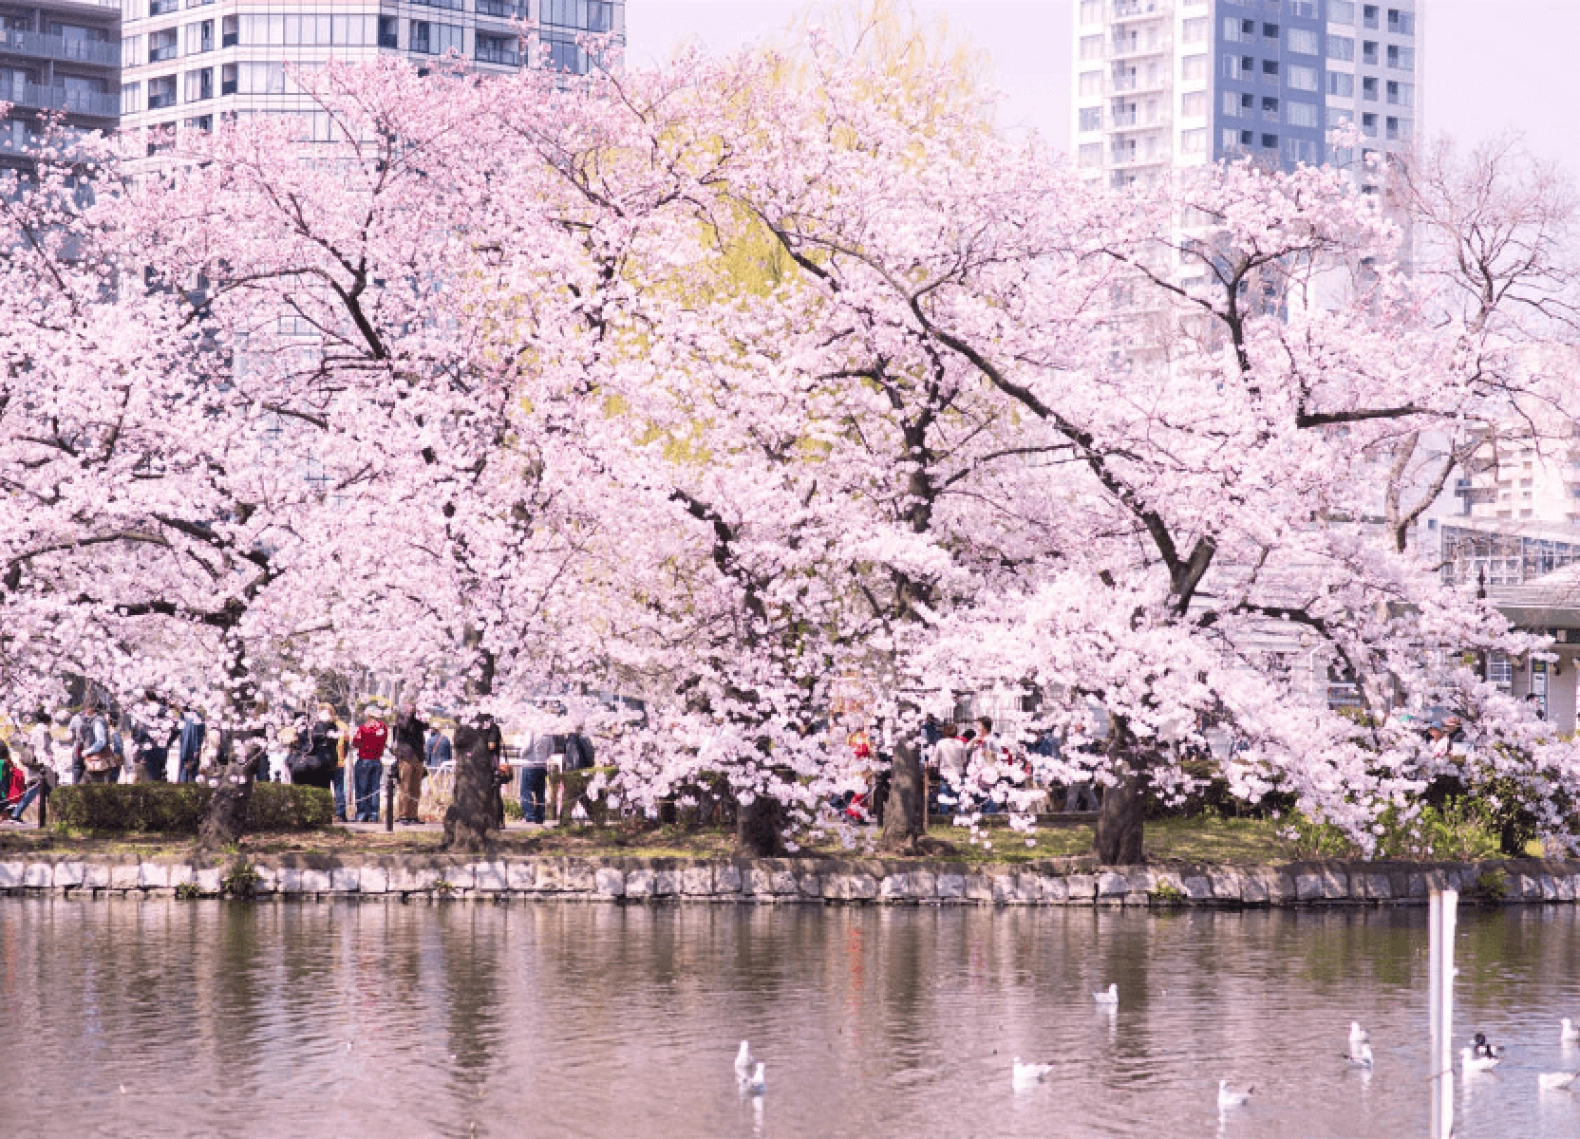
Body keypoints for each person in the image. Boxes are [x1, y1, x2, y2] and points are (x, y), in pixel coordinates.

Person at [350, 708, 389, 823]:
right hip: (377, 760)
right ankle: (374, 814)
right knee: (374, 789)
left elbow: (356, 743)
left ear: (369, 715)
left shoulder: (364, 728)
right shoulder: (383, 728)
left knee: (362, 789)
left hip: (364, 759)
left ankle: (362, 814)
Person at [392, 704, 428, 824]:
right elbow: (405, 727)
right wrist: (410, 714)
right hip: (406, 756)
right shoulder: (401, 717)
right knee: (404, 786)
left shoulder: (418, 719)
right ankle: (403, 815)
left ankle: (413, 815)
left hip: (418, 756)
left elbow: (425, 726)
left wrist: (422, 715)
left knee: (416, 788)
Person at [78, 701, 117, 784]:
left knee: (96, 784)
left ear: (91, 709)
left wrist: (87, 751)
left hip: (97, 759)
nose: (85, 710)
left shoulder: (98, 721)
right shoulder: (94, 720)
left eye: (86, 708)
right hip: (94, 759)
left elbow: (101, 741)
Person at [519, 727, 551, 825]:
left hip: (530, 764)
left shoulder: (530, 730)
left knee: (525, 791)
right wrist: (544, 757)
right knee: (540, 791)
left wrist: (521, 754)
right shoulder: (547, 732)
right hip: (542, 765)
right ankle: (540, 816)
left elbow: (527, 746)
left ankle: (529, 816)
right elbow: (551, 749)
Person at [176, 708, 205, 784]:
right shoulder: (188, 717)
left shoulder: (193, 718)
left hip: (189, 748)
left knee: (189, 768)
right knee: (189, 768)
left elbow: (197, 735)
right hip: (189, 747)